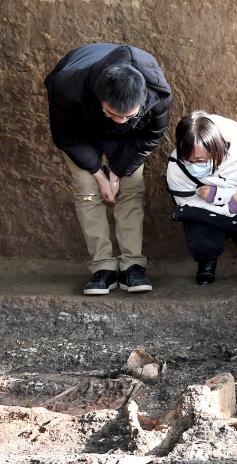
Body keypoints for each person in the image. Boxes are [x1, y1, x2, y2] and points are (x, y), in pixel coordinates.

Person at [45, 43, 171, 295]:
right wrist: (99, 175)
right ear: (101, 99)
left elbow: (150, 137)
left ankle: (132, 266)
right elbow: (66, 137)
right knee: (87, 190)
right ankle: (102, 267)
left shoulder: (158, 94)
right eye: (114, 113)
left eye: (128, 115)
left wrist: (117, 171)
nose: (120, 120)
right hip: (82, 130)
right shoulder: (68, 87)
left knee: (131, 188)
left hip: (130, 139)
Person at [166, 112, 237, 286]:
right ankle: (206, 261)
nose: (194, 165)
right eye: (189, 160)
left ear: (217, 149)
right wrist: (228, 208)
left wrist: (219, 195)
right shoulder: (177, 164)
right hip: (210, 213)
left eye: (201, 160)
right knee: (194, 219)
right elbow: (185, 204)